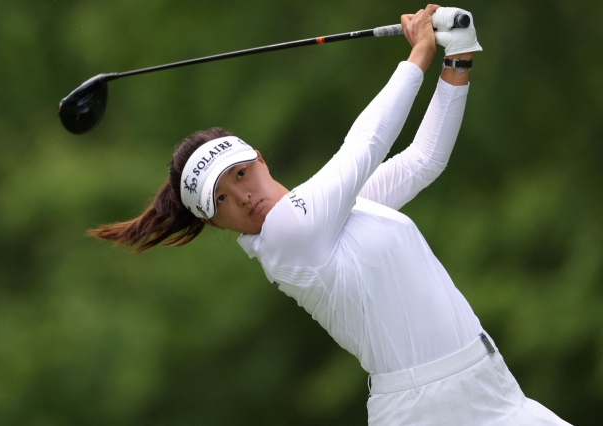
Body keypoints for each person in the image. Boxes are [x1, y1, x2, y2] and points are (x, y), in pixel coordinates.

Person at [89, 5, 570, 425]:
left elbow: (424, 160)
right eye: (220, 201)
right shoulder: (286, 237)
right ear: (215, 223)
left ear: (259, 158)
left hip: (490, 389)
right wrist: (419, 53)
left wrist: (458, 57)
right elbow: (365, 144)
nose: (242, 197)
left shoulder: (337, 211)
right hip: (429, 411)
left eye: (239, 174)